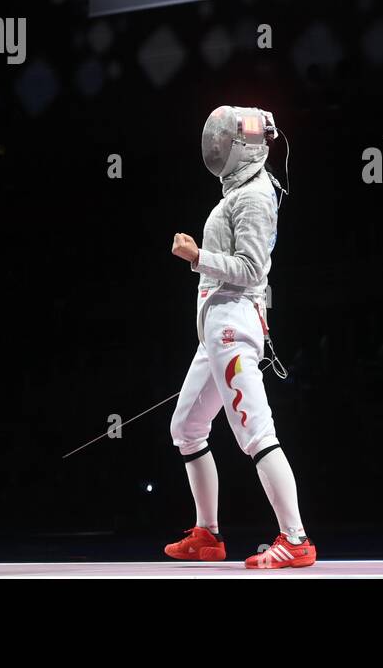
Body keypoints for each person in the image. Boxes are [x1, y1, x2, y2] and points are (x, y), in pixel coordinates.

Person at [163, 105, 315, 569]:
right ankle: (207, 534)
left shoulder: (254, 196)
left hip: (231, 327)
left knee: (255, 433)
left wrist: (197, 256)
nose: (218, 146)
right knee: (186, 427)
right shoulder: (238, 193)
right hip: (214, 333)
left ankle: (296, 539)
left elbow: (252, 270)